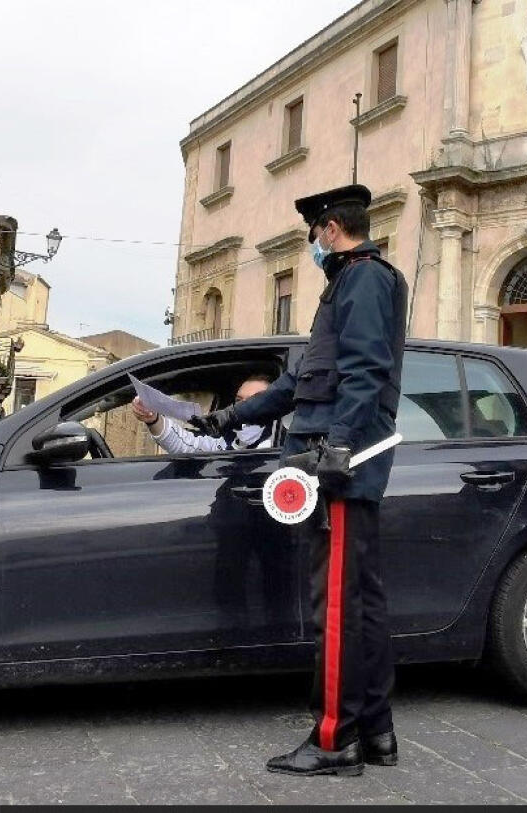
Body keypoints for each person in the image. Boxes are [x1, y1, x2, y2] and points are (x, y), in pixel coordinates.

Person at [191, 183, 408, 777]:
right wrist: (228, 416)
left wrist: (338, 446)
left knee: (336, 607)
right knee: (359, 604)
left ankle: (335, 740)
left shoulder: (363, 279)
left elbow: (366, 372)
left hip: (335, 467)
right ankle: (377, 730)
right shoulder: (346, 286)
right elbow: (294, 387)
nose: (313, 245)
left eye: (314, 235)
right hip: (331, 458)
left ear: (330, 230)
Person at [131, 375, 273, 454]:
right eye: (239, 400)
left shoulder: (278, 441)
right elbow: (187, 445)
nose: (244, 406)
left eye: (254, 400)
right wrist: (152, 419)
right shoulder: (231, 436)